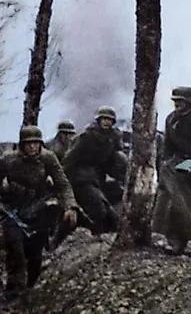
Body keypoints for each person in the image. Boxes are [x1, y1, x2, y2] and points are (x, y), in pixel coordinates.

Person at [0, 126, 78, 300]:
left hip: (38, 210)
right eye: (29, 143)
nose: (33, 147)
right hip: (13, 210)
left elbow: (62, 183)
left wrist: (70, 206)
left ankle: (31, 293)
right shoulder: (7, 160)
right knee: (15, 250)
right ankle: (12, 291)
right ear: (22, 144)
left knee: (35, 253)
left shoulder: (48, 158)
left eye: (36, 143)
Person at [157, 86, 191, 256]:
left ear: (190, 102)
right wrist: (166, 164)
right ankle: (176, 242)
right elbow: (167, 146)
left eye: (181, 101)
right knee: (176, 206)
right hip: (177, 165)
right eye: (175, 101)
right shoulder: (171, 119)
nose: (177, 104)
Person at [61, 106, 127, 234]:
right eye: (104, 119)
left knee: (112, 215)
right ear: (98, 120)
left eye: (110, 120)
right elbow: (69, 159)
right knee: (99, 210)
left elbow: (116, 157)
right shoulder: (86, 136)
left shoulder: (114, 136)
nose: (107, 122)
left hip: (99, 176)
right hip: (81, 177)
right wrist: (62, 181)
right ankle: (94, 235)